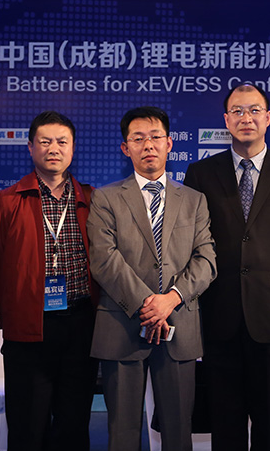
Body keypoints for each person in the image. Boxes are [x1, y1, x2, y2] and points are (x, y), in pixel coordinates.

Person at [183, 83, 270, 451]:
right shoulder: (201, 173)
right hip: (218, 312)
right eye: (238, 111)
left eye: (254, 110)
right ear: (226, 120)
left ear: (268, 118)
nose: (247, 118)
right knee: (224, 422)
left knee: (268, 422)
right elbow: (188, 246)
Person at [88, 106, 217, 451]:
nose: (148, 145)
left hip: (179, 326)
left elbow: (206, 259)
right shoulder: (105, 198)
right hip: (122, 325)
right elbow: (104, 260)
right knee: (122, 433)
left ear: (169, 143)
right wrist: (149, 305)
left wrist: (170, 299)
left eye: (156, 137)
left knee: (178, 431)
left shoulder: (194, 200)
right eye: (138, 138)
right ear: (125, 147)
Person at [0, 111, 98, 451]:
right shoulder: (8, 201)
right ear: (31, 147)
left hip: (80, 325)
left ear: (73, 148)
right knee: (27, 426)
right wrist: (13, 321)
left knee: (73, 424)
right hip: (28, 331)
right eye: (45, 141)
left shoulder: (92, 199)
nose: (54, 148)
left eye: (62, 141)